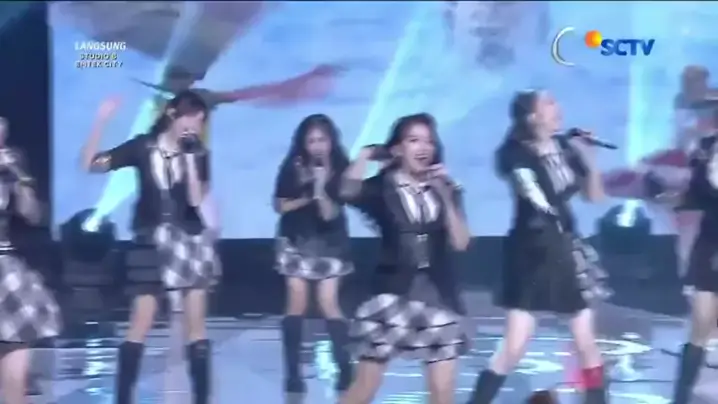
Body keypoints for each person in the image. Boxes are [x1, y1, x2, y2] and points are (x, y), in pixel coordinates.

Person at [466, 90, 610, 404]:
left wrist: (589, 158)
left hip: (565, 249)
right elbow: (535, 195)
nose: (558, 107)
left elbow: (594, 196)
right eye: (549, 103)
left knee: (585, 341)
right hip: (530, 252)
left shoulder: (566, 147)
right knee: (515, 345)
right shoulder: (513, 153)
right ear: (532, 116)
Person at [81, 91, 220, 404]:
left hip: (189, 242)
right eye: (191, 117)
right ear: (172, 114)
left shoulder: (199, 154)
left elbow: (195, 200)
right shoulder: (142, 147)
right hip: (150, 242)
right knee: (140, 322)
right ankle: (124, 398)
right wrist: (101, 121)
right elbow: (92, 164)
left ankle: (202, 399)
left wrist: (190, 158)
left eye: (201, 121)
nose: (195, 126)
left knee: (196, 327)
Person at [339, 113, 471, 404]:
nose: (424, 147)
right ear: (398, 149)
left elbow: (461, 242)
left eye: (429, 141)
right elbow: (346, 192)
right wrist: (365, 155)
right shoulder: (382, 187)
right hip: (391, 293)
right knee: (365, 387)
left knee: (443, 391)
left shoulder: (447, 188)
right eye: (414, 140)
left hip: (438, 294)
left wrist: (445, 195)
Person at [603, 65, 718, 282]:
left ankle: (687, 274)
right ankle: (683, 273)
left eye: (695, 81)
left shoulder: (710, 102)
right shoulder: (683, 104)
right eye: (687, 81)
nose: (691, 86)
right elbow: (682, 146)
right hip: (688, 174)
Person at [272, 114, 353, 393]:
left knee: (328, 302)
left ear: (331, 141)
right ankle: (293, 374)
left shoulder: (342, 168)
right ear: (303, 144)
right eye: (312, 141)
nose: (317, 146)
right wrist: (305, 197)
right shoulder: (292, 166)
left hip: (330, 242)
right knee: (296, 301)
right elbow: (280, 205)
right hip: (296, 240)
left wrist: (320, 188)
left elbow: (330, 214)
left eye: (322, 140)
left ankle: (345, 367)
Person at [0, 118, 61, 404]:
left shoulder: (11, 169)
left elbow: (32, 215)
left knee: (17, 367)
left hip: (7, 267)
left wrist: (20, 178)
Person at [670, 129, 718, 404]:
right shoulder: (706, 146)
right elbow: (694, 194)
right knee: (701, 322)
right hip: (711, 243)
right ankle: (680, 397)